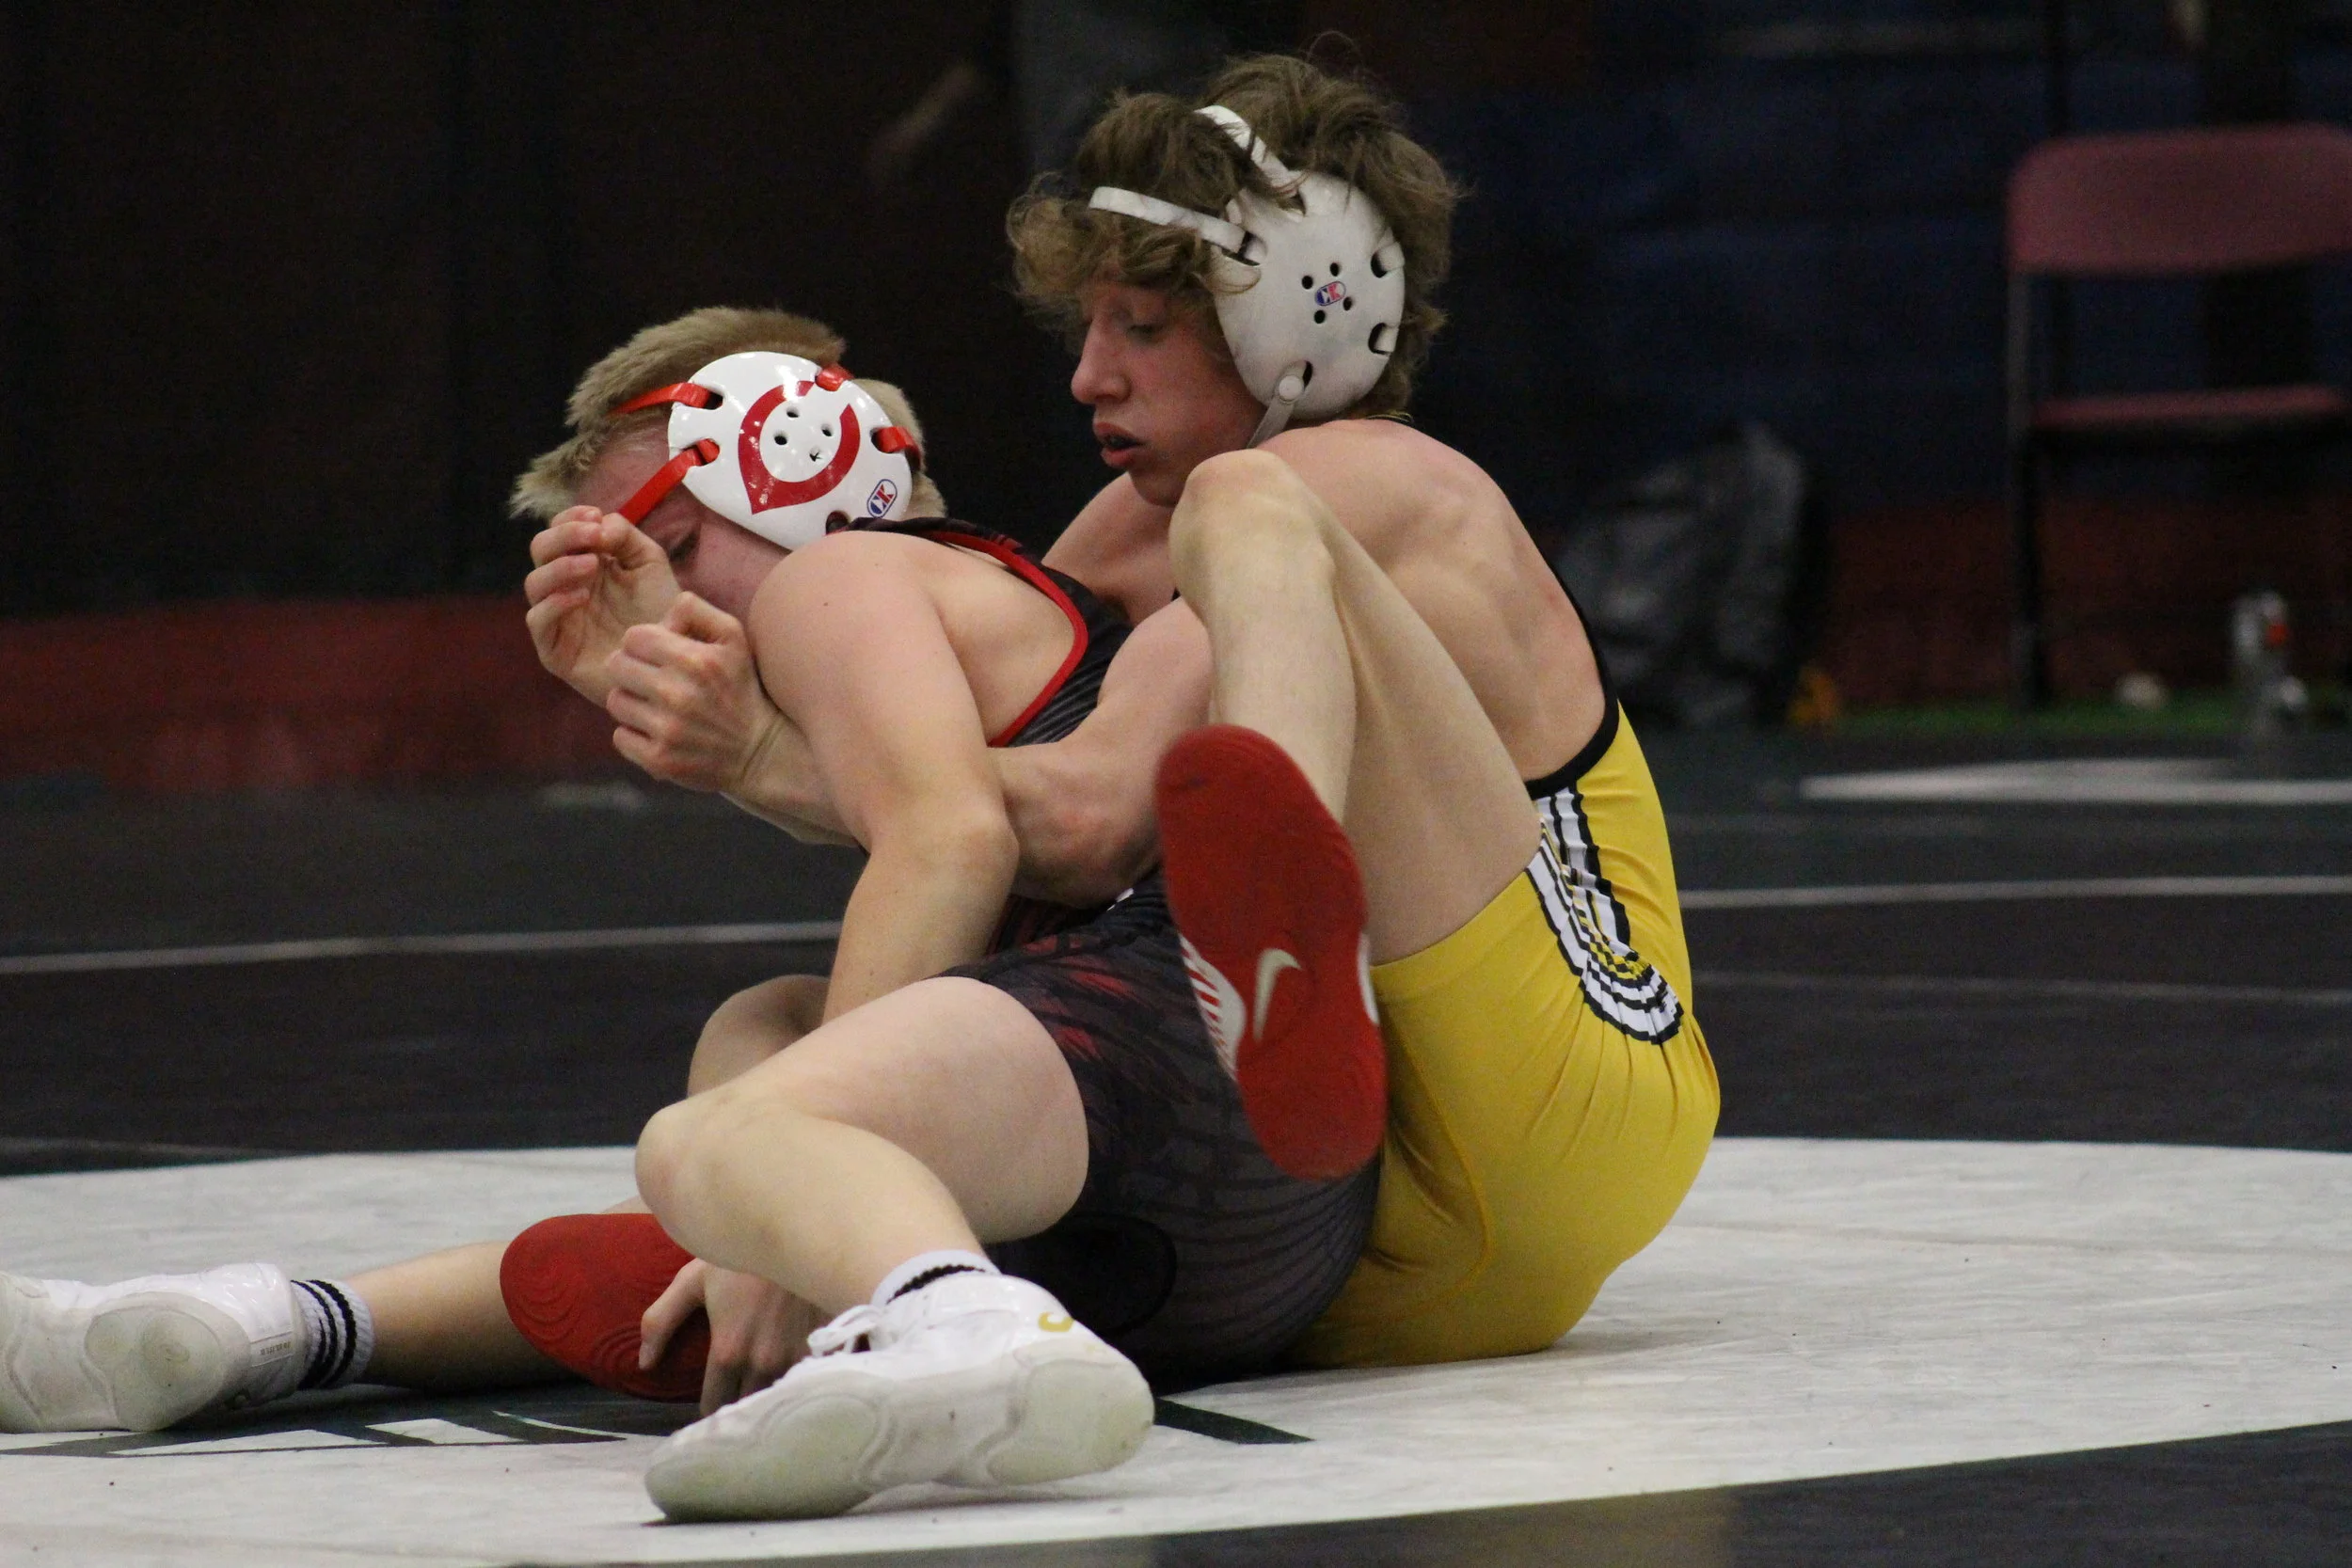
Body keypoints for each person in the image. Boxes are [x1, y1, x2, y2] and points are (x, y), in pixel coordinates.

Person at [0, 307, 1379, 1525]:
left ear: (782, 462)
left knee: (721, 1147)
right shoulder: (971, 600)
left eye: (663, 552)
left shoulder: (844, 577)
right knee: (751, 1056)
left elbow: (950, 840)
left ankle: (954, 1321)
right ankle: (285, 1324)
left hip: (1177, 1085)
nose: (654, 614)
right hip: (1212, 1225)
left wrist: (779, 1205)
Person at [990, 52, 1722, 1367]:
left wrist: (779, 753)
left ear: (1295, 318)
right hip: (1329, 1244)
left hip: (1565, 1092)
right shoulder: (1138, 524)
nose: (1089, 377)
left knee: (1245, 506)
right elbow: (980, 768)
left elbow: (1083, 820)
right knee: (782, 1031)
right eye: (1089, 330)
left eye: (1140, 329)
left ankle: (1282, 912)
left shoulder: (1367, 485)